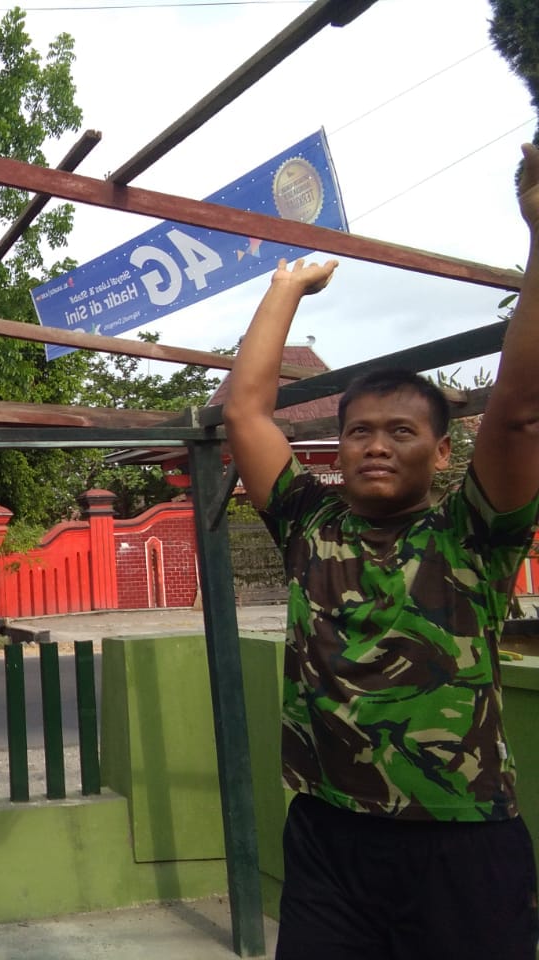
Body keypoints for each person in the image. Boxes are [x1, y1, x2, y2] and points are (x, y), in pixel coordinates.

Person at [222, 143, 539, 960]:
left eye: (401, 431)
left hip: (460, 837)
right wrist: (285, 287)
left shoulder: (472, 535)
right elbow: (247, 414)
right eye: (359, 430)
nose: (375, 444)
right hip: (329, 835)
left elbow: (518, 412)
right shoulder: (310, 525)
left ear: (442, 451)